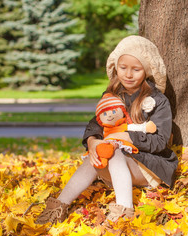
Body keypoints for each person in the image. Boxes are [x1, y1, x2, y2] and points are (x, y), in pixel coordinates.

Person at [35, 35, 178, 224]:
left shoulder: (157, 100)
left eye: (136, 69)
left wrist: (126, 136)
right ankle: (59, 206)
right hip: (120, 166)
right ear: (115, 67)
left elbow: (160, 142)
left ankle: (125, 209)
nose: (128, 74)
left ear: (146, 71)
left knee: (113, 151)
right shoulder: (111, 95)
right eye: (123, 68)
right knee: (96, 156)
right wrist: (93, 141)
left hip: (150, 168)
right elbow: (95, 124)